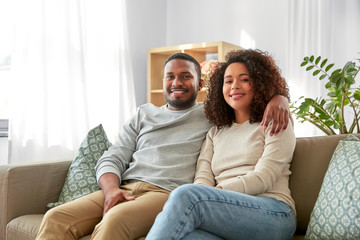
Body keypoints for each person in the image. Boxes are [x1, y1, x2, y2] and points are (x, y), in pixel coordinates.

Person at [36, 52, 292, 240]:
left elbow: (263, 175)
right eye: (170, 76)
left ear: (201, 84)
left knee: (117, 219)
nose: (176, 82)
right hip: (131, 187)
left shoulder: (210, 116)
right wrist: (112, 189)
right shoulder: (215, 128)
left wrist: (280, 98)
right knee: (55, 218)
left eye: (185, 76)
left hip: (172, 194)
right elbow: (115, 156)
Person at [146, 49, 297, 240]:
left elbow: (264, 177)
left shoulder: (276, 122)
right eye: (228, 81)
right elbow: (202, 178)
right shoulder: (214, 133)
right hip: (224, 212)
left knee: (186, 195)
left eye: (244, 79)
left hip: (273, 213)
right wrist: (208, 194)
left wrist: (212, 194)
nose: (235, 86)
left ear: (260, 84)